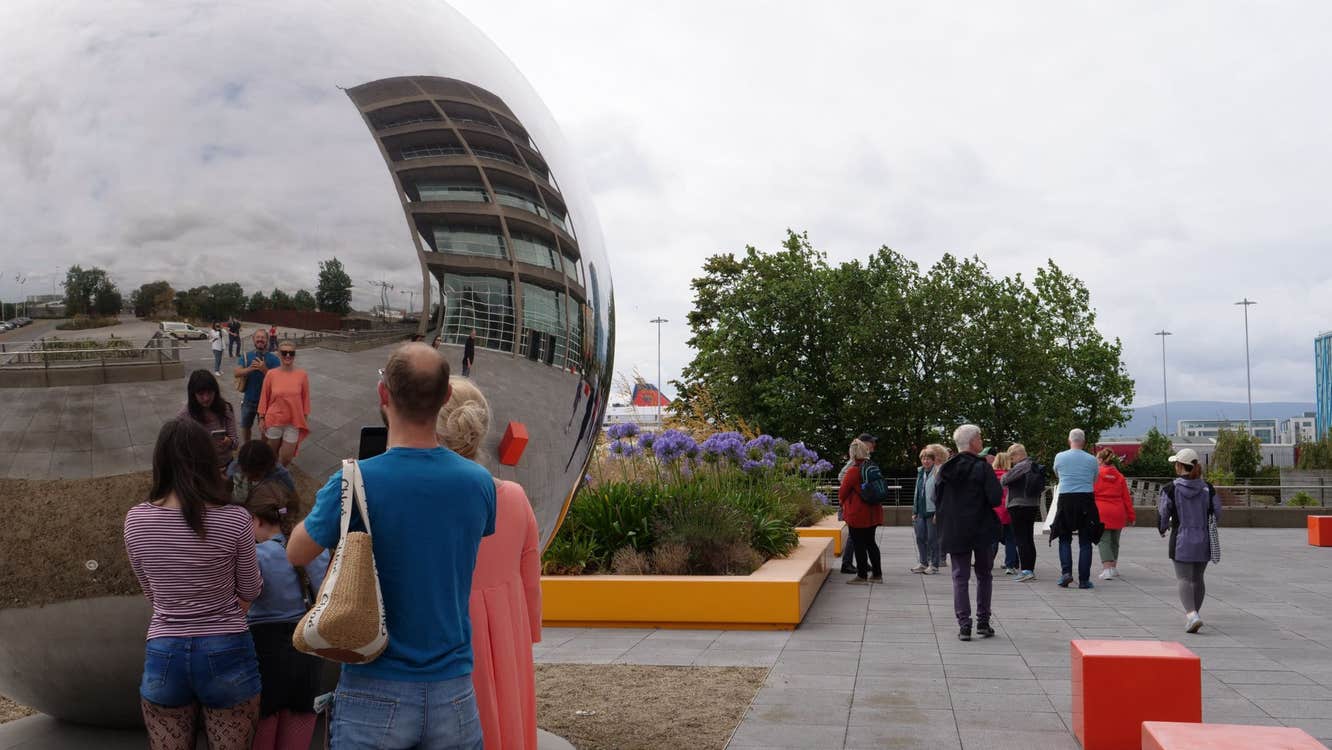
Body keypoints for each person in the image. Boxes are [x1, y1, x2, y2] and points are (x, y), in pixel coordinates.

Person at [287, 343, 496, 748]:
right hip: (453, 690)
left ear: (384, 395)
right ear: (446, 397)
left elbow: (297, 552)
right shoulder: (478, 483)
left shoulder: (353, 481)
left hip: (374, 687)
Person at [123, 419, 263, 749]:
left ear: (160, 461)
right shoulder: (235, 519)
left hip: (164, 651)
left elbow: (152, 594)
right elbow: (251, 590)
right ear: (209, 460)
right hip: (227, 647)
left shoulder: (136, 520)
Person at [437, 378, 542, 750]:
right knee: (506, 721)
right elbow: (531, 578)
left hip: (447, 634)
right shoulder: (513, 496)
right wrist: (524, 632)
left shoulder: (428, 500)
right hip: (506, 632)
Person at [242, 445, 330, 750]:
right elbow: (327, 596)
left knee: (263, 734)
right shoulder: (314, 550)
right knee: (298, 732)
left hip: (265, 655)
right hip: (308, 655)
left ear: (254, 519)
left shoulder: (253, 556)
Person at [935, 424, 1002, 641]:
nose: (982, 442)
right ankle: (983, 621)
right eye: (980, 438)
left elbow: (936, 498)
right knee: (984, 575)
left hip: (955, 528)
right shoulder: (982, 468)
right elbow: (994, 497)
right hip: (981, 527)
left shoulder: (945, 469)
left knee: (959, 576)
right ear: (973, 442)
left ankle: (964, 625)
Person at [1158, 449, 1219, 633]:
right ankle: (1195, 614)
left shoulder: (1170, 489)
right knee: (1198, 578)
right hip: (1204, 539)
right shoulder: (1208, 488)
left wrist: (1162, 527)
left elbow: (1163, 513)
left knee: (1183, 578)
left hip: (1181, 538)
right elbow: (1217, 512)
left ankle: (1191, 614)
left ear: (1179, 466)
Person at [1050, 428, 1102, 589]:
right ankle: (1084, 580)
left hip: (1066, 499)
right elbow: (1095, 478)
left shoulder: (1060, 456)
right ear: (1084, 441)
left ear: (1069, 440)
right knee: (1085, 542)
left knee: (1064, 538)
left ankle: (1066, 573)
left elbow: (1057, 474)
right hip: (1086, 499)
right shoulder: (1092, 459)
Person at [837, 438, 883, 584]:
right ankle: (877, 575)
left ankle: (862, 576)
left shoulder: (853, 470)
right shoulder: (873, 466)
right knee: (871, 543)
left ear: (852, 453)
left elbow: (842, 493)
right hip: (874, 511)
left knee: (858, 544)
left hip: (857, 513)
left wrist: (843, 503)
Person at [257, 342, 310, 467]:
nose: (287, 355)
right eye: (284, 352)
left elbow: (305, 398)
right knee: (272, 453)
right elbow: (264, 397)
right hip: (274, 419)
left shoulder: (302, 375)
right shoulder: (271, 374)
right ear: (279, 354)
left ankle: (281, 471)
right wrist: (261, 418)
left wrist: (305, 418)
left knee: (286, 457)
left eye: (291, 353)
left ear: (294, 355)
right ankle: (272, 474)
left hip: (293, 421)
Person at [177, 369, 238, 472]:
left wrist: (229, 442)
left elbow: (235, 443)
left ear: (215, 391)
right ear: (193, 394)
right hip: (199, 470)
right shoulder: (184, 416)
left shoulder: (225, 409)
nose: (206, 398)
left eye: (209, 393)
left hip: (225, 465)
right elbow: (180, 450)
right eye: (201, 394)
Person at [1001, 444, 1041, 582]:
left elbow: (1004, 480)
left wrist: (1009, 470)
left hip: (1018, 505)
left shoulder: (1022, 466)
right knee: (1029, 538)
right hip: (1032, 504)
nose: (1011, 461)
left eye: (1011, 458)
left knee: (1021, 539)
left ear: (1017, 455)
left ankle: (1025, 570)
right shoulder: (1033, 465)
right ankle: (1030, 569)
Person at [1094, 448, 1135, 580]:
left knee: (1103, 541)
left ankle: (1106, 569)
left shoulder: (1096, 475)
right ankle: (1113, 568)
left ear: (1100, 460)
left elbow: (1091, 493)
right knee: (1114, 542)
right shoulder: (1120, 476)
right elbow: (1126, 498)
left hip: (1102, 511)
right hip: (1118, 511)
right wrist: (1131, 516)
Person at [234, 330, 281, 444]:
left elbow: (278, 381)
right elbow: (236, 372)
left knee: (265, 427)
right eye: (258, 337)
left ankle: (262, 448)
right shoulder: (247, 356)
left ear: (267, 340)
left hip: (267, 402)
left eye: (263, 337)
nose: (260, 339)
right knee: (246, 425)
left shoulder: (274, 359)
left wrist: (264, 369)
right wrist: (250, 368)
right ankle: (247, 445)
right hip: (249, 400)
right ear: (253, 340)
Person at [909, 445, 941, 574]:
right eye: (923, 458)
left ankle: (934, 565)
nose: (925, 461)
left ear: (933, 460)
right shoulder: (920, 472)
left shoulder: (938, 473)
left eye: (928, 458)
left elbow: (940, 494)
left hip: (932, 511)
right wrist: (914, 511)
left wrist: (938, 513)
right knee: (920, 537)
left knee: (932, 539)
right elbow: (917, 493)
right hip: (920, 511)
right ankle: (923, 562)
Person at [993, 451, 1019, 574]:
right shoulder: (1011, 476)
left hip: (994, 511)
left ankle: (988, 562)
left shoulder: (991, 476)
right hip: (1008, 510)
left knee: (992, 539)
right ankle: (1010, 565)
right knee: (1010, 539)